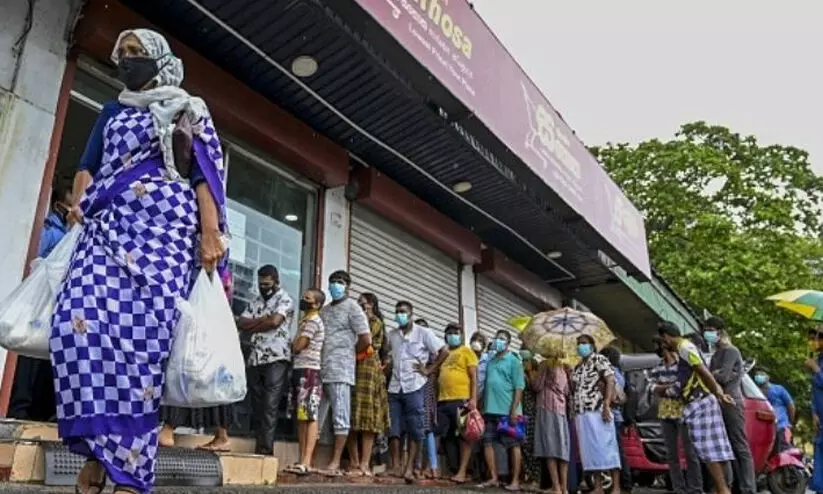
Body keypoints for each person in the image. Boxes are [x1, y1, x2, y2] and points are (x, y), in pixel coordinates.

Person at [52, 29, 229, 494]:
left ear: (160, 59)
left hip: (163, 240)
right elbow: (89, 166)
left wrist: (210, 233)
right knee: (75, 326)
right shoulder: (112, 110)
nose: (127, 60)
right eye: (122, 53)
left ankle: (124, 471)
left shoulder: (189, 107)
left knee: (141, 352)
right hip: (104, 231)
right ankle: (95, 449)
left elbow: (205, 172)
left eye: (137, 53)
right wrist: (78, 204)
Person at [9, 186, 72, 422]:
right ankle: (19, 410)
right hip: (40, 306)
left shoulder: (68, 233)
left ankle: (43, 411)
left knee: (50, 360)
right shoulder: (49, 232)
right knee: (29, 357)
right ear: (59, 206)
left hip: (58, 307)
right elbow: (36, 262)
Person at [159, 268, 237, 451]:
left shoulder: (211, 270)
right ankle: (221, 435)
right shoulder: (217, 272)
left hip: (203, 331)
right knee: (209, 382)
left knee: (187, 375)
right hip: (206, 330)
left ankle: (169, 429)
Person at [657, 321, 735, 494]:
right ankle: (722, 488)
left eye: (663, 340)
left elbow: (702, 371)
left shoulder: (685, 348)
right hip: (699, 402)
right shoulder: (683, 349)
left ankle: (723, 489)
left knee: (709, 450)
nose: (664, 344)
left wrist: (719, 392)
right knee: (713, 449)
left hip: (701, 402)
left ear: (666, 337)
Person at [235, 264, 294, 456]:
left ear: (276, 282)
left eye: (267, 284)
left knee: (270, 405)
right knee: (257, 405)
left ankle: (266, 451)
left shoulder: (285, 299)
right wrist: (264, 322)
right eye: (261, 284)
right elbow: (242, 323)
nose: (263, 287)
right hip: (255, 358)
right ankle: (258, 445)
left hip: (276, 358)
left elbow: (275, 322)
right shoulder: (256, 301)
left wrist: (258, 323)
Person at [385, 302, 447, 482]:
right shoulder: (392, 335)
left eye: (403, 312)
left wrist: (429, 370)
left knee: (415, 428)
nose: (399, 315)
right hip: (395, 386)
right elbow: (388, 355)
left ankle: (410, 467)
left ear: (411, 314)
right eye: (397, 312)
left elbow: (444, 351)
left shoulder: (424, 333)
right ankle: (396, 466)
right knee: (394, 427)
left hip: (415, 386)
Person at [318, 270, 371, 476]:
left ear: (347, 286)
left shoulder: (353, 308)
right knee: (317, 416)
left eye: (339, 282)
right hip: (321, 368)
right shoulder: (324, 310)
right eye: (332, 282)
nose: (335, 286)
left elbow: (366, 340)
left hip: (341, 370)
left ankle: (335, 462)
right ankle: (310, 459)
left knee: (341, 416)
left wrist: (348, 353)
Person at [649, 337, 702, 494]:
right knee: (671, 455)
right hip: (665, 412)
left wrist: (664, 388)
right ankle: (679, 489)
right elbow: (652, 387)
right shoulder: (656, 368)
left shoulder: (681, 366)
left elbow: (682, 385)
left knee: (690, 453)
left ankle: (696, 488)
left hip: (684, 412)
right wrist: (671, 387)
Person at [345, 292, 389, 477]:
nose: (361, 306)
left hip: (369, 371)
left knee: (368, 420)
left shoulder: (376, 322)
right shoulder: (353, 320)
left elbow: (366, 341)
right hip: (351, 367)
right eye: (359, 303)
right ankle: (354, 462)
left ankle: (365, 463)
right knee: (351, 417)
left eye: (363, 303)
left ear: (371, 304)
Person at [570, 335, 620, 494]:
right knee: (591, 451)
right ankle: (598, 487)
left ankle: (616, 487)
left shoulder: (599, 359)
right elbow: (574, 388)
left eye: (584, 343)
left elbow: (610, 380)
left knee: (607, 447)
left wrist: (607, 404)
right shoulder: (578, 366)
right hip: (582, 412)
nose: (580, 346)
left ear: (592, 345)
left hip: (598, 410)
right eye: (578, 344)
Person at [283, 288, 326, 475]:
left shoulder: (313, 321)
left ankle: (307, 461)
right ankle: (301, 460)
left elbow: (299, 345)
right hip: (301, 369)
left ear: (316, 304)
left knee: (309, 415)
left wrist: (293, 345)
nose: (303, 300)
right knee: (302, 417)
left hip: (309, 371)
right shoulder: (305, 320)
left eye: (307, 299)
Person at [709, 327, 756, 494]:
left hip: (732, 402)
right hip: (720, 402)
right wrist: (715, 374)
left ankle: (748, 488)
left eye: (711, 330)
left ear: (721, 333)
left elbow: (723, 377)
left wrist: (713, 374)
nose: (708, 334)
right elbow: (714, 376)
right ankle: (731, 486)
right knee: (725, 447)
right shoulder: (716, 355)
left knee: (739, 445)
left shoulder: (731, 351)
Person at [479, 330, 525, 491]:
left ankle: (515, 481)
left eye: (502, 339)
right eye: (496, 338)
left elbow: (519, 387)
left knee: (514, 445)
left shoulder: (514, 361)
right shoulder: (491, 361)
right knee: (488, 442)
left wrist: (514, 410)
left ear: (508, 343)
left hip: (508, 410)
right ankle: (493, 477)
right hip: (490, 408)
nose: (498, 341)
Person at [436, 323, 478, 483]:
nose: (453, 335)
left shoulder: (467, 352)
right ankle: (451, 469)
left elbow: (474, 377)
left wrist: (473, 399)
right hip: (443, 399)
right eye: (450, 333)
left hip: (461, 399)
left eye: (456, 333)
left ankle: (462, 471)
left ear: (461, 335)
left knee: (464, 436)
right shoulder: (445, 353)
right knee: (445, 436)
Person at [531, 350, 570, 494]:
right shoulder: (563, 367)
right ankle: (564, 487)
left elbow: (537, 386)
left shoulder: (544, 365)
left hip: (546, 407)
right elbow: (566, 390)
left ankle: (556, 486)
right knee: (562, 448)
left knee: (549, 447)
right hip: (561, 409)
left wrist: (530, 373)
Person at [600, 346, 632, 493]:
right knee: (617, 450)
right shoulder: (620, 372)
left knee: (616, 451)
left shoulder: (610, 372)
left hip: (611, 415)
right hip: (616, 415)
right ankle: (623, 482)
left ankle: (623, 484)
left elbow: (613, 395)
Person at [753, 367, 795, 452]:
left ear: (768, 377)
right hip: (763, 429)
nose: (758, 376)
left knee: (783, 452)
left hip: (781, 427)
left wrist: (789, 423)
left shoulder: (779, 389)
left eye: (761, 374)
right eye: (757, 374)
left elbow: (791, 406)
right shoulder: (754, 391)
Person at [805, 326, 823, 494]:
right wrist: (814, 413)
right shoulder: (819, 359)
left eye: (816, 338)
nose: (813, 342)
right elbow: (815, 391)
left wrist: (817, 370)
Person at [520, 349, 541, 489]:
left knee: (532, 445)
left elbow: (535, 388)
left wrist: (529, 373)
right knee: (523, 444)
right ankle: (527, 474)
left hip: (532, 411)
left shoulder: (536, 370)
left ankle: (535, 477)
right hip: (521, 410)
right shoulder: (518, 367)